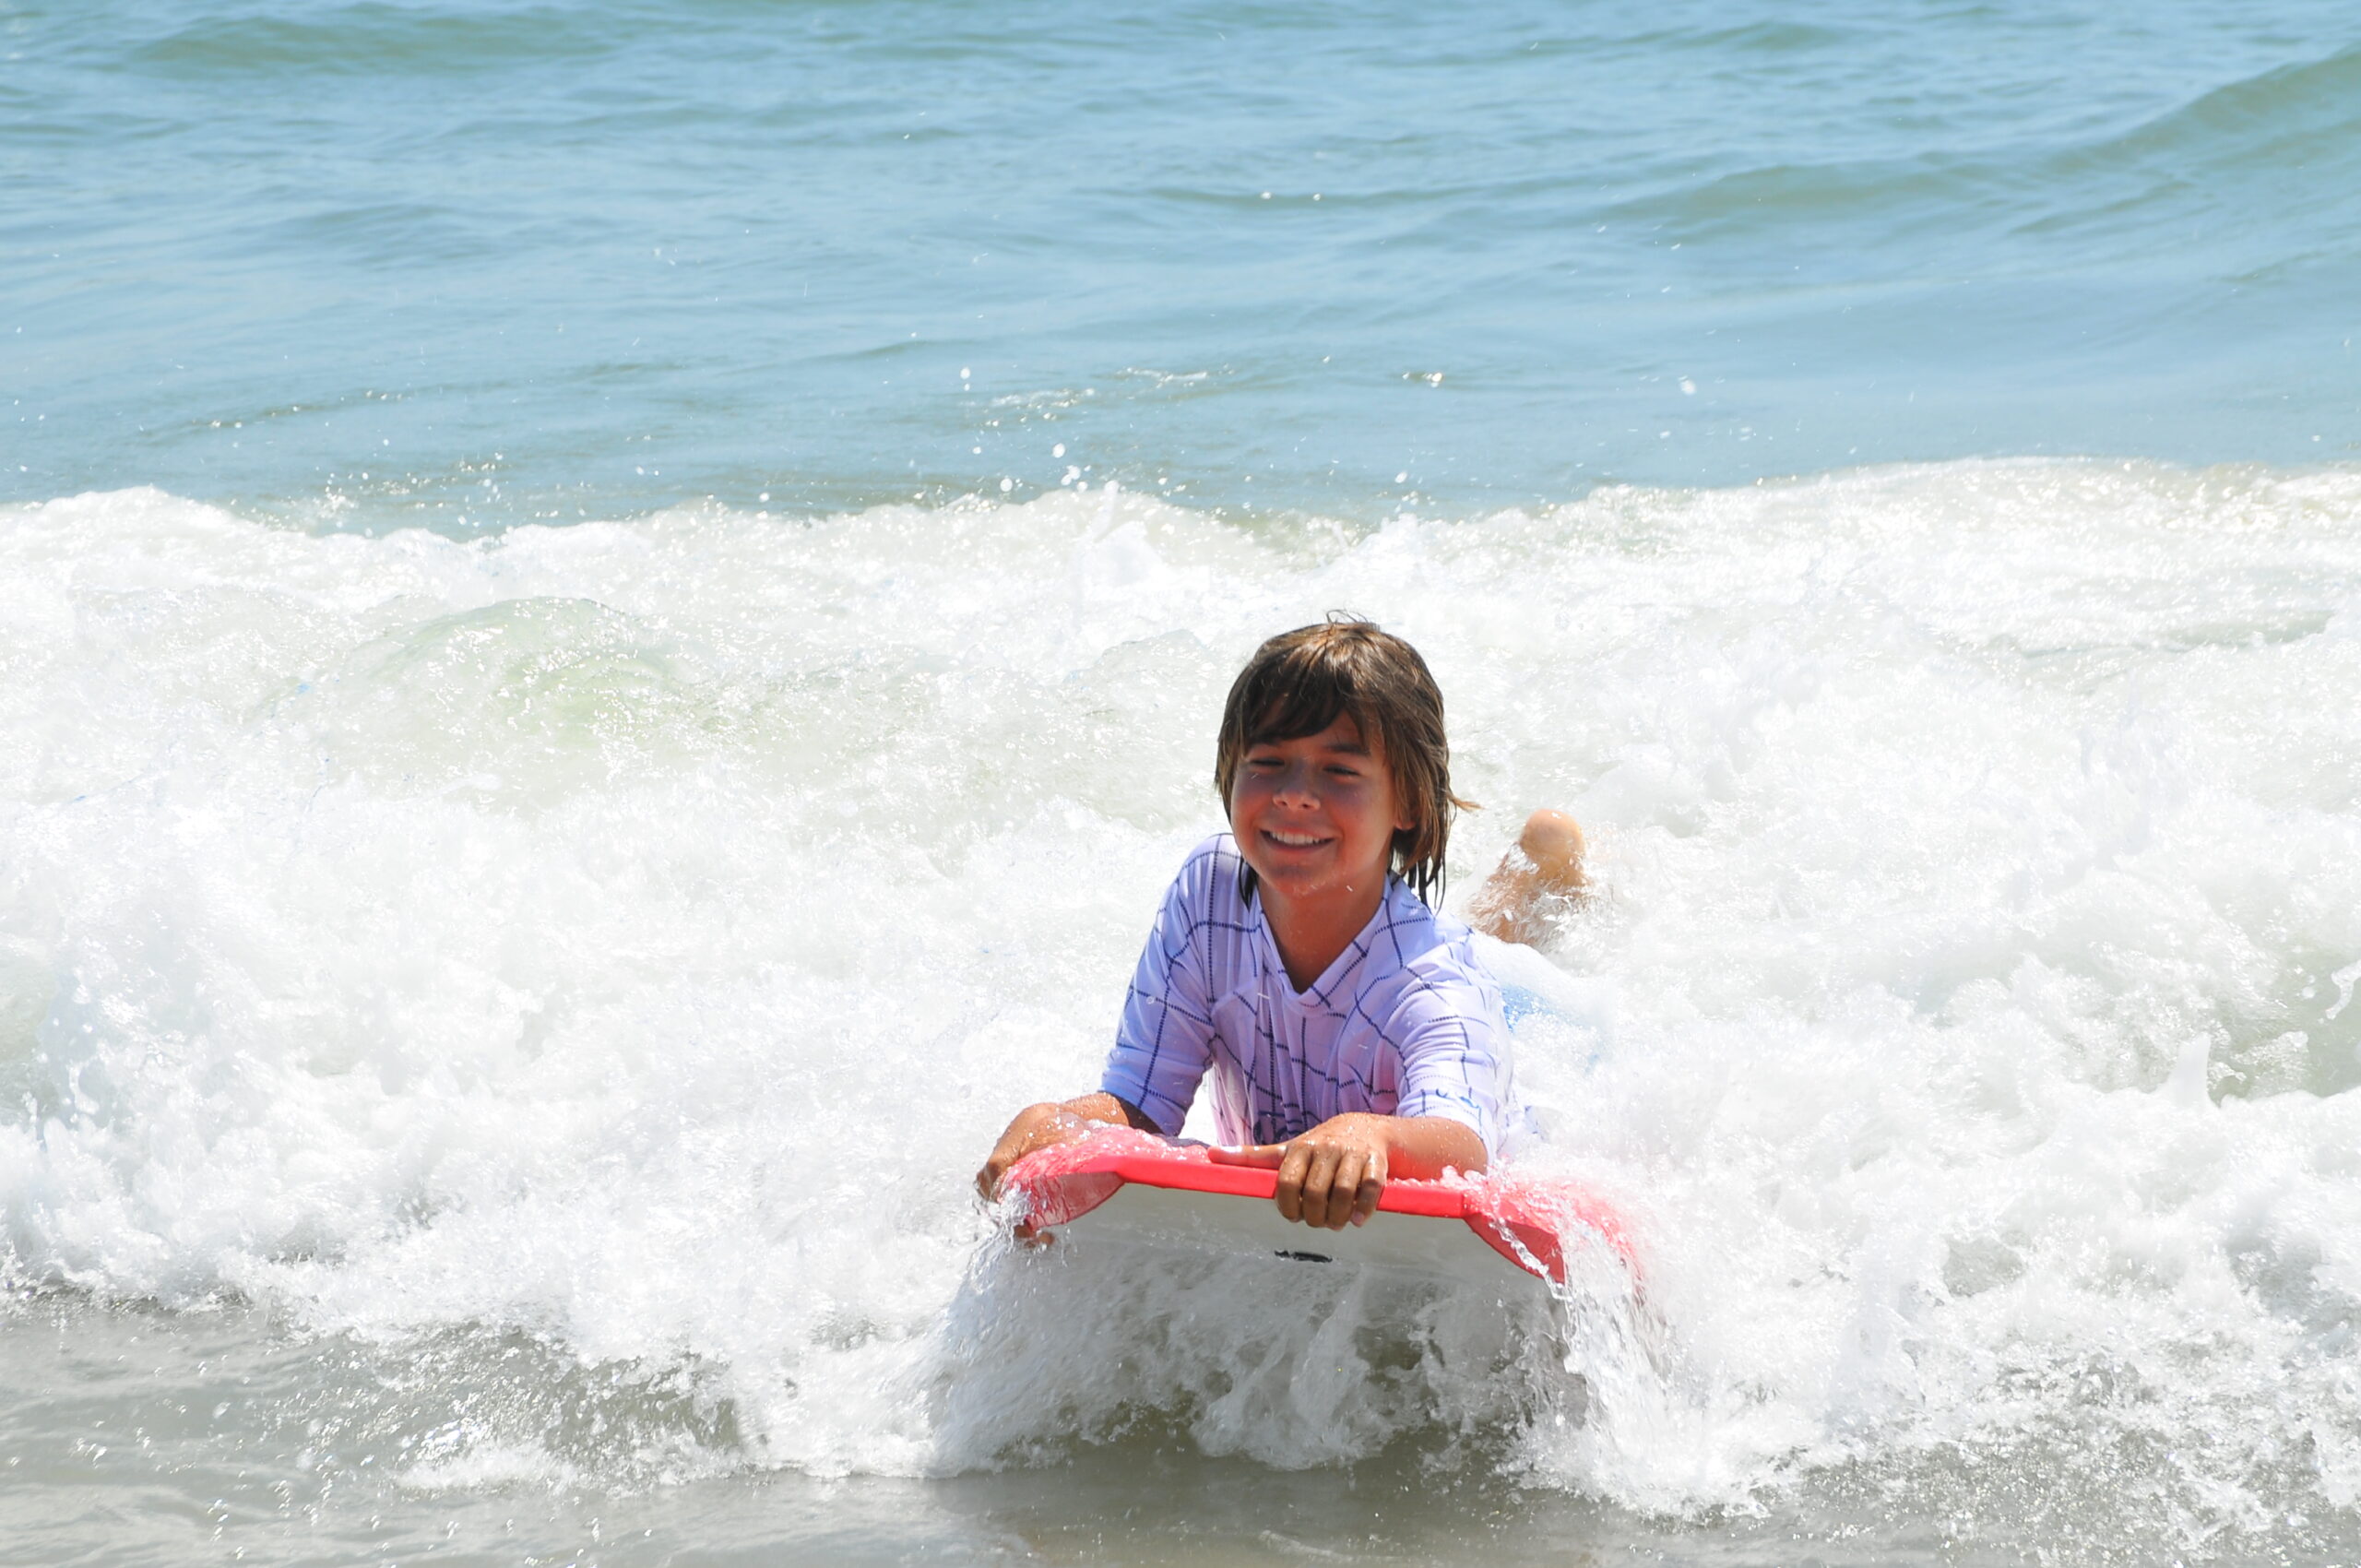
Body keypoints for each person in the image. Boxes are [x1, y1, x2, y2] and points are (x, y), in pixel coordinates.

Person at [975, 618, 1589, 1231]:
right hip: (1399, 965)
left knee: (1484, 968)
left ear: (1406, 802)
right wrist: (1065, 1124)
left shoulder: (1435, 989)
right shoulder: (1211, 896)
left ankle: (1542, 867)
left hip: (1491, 1073)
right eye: (1268, 762)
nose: (1295, 795)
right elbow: (1140, 1109)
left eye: (1339, 771)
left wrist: (1369, 1134)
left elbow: (1463, 1149)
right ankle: (1529, 874)